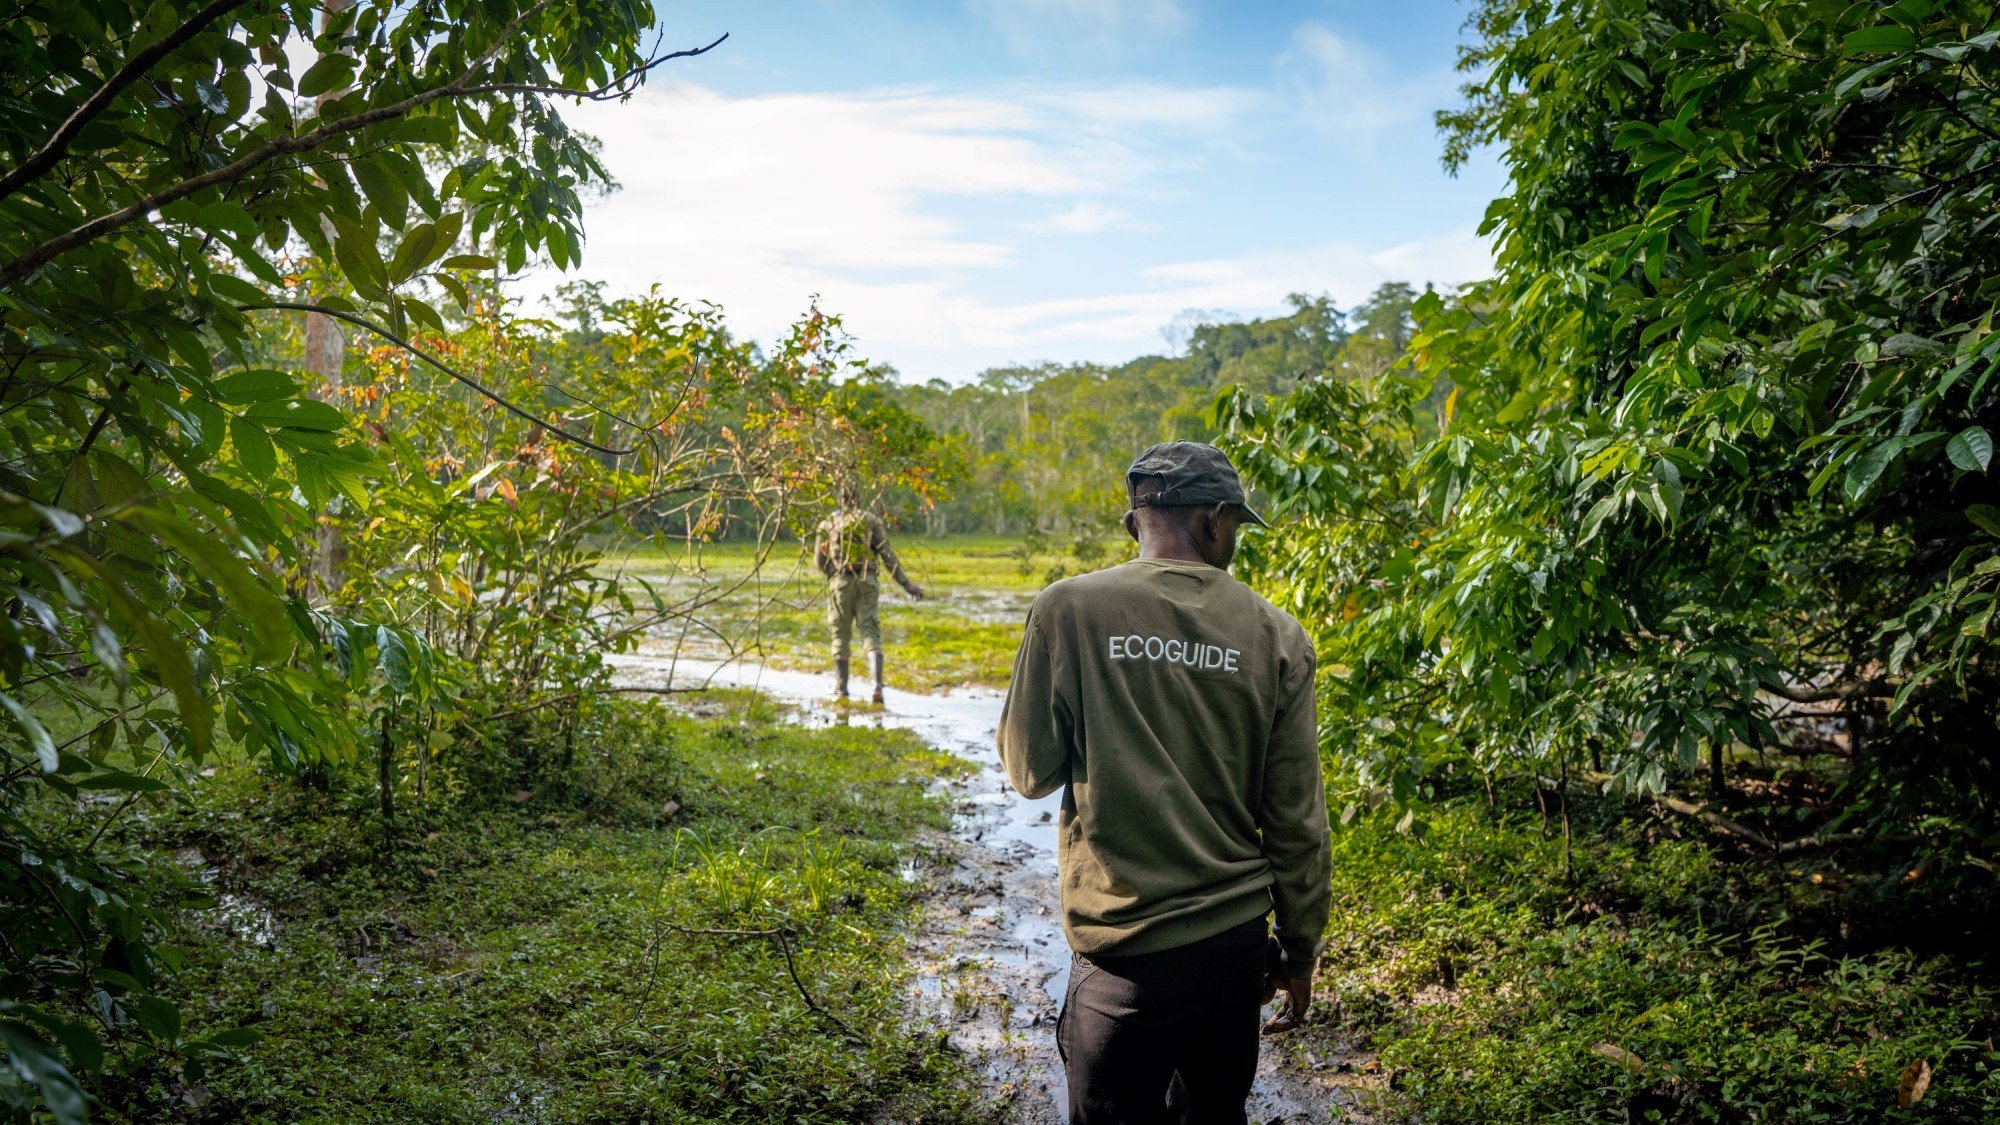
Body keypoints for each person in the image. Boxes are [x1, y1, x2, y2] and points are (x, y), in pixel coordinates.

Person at [997, 440, 1331, 1125]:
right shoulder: (1277, 634)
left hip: (1123, 959)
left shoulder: (1067, 610)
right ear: (1213, 520)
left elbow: (1028, 771)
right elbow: (1297, 822)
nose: (1231, 537)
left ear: (1133, 525)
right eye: (1234, 525)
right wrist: (1299, 954)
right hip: (1233, 953)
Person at [814, 494, 924, 703]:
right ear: (857, 497)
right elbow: (887, 555)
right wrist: (906, 585)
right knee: (870, 632)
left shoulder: (829, 522)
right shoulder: (870, 520)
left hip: (841, 583)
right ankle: (876, 686)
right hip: (868, 581)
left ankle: (841, 689)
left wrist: (834, 574)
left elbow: (818, 559)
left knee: (840, 634)